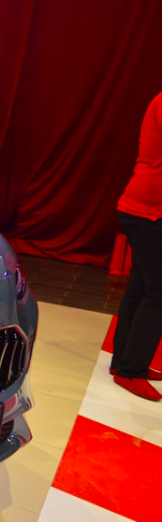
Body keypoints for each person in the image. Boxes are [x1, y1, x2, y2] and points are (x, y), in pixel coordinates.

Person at [112, 89, 162, 401]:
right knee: (158, 292)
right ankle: (131, 370)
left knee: (142, 286)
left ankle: (125, 362)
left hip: (149, 211)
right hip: (146, 211)